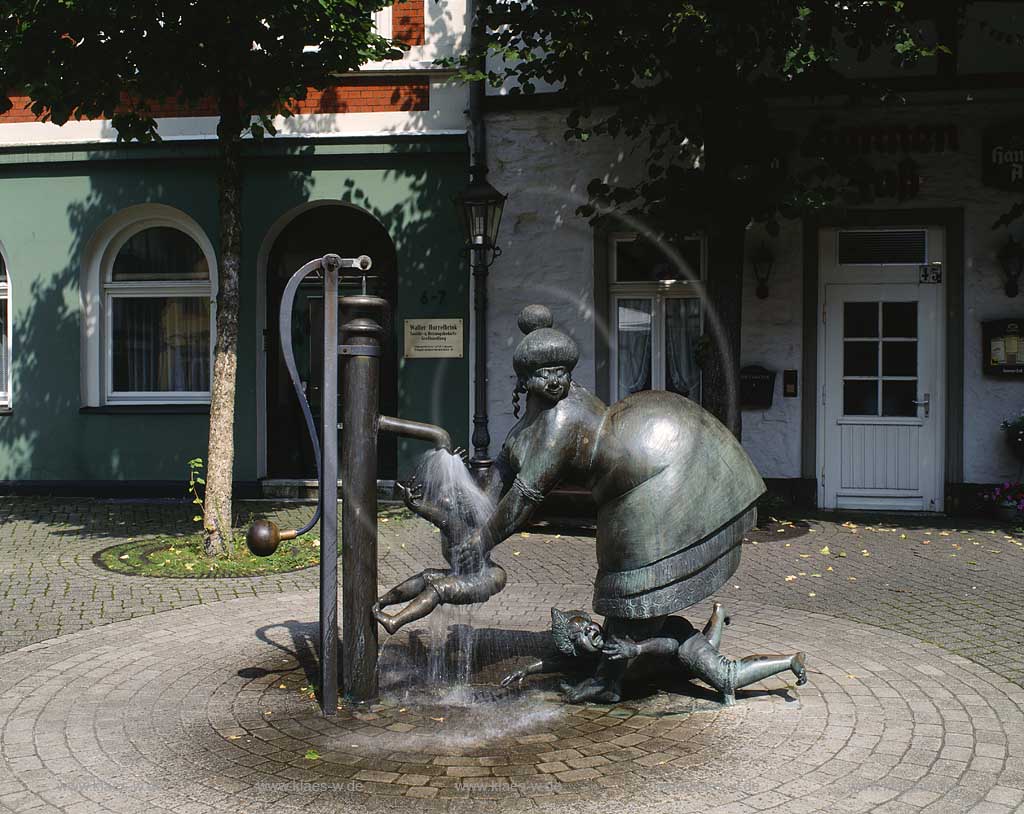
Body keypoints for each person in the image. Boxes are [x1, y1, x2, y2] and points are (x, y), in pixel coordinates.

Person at [454, 304, 767, 703]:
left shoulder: (560, 424)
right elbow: (502, 476)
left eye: (562, 373)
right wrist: (467, 513)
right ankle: (642, 662)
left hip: (662, 469)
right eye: (543, 374)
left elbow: (522, 500)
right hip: (642, 466)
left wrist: (480, 543)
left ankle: (617, 677)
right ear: (523, 381)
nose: (555, 382)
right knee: (626, 597)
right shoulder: (530, 426)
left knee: (632, 584)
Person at [502, 605, 805, 705]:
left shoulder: (616, 637)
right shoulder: (596, 654)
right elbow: (561, 661)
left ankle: (790, 661)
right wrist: (529, 670)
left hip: (673, 640)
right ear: (576, 647)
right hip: (670, 660)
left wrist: (636, 649)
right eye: (581, 635)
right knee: (695, 663)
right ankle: (718, 615)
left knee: (726, 677)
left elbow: (672, 647)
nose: (591, 631)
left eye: (589, 624)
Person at [372, 471, 506, 635]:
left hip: (489, 577)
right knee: (426, 577)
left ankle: (394, 621)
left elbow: (439, 516)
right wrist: (415, 503)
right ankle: (381, 602)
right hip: (467, 573)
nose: (443, 501)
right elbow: (439, 513)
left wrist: (416, 505)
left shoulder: (460, 524)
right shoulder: (457, 518)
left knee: (438, 588)